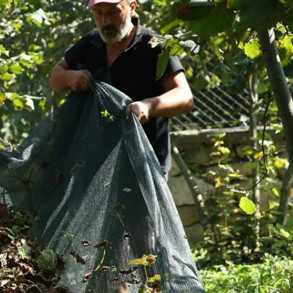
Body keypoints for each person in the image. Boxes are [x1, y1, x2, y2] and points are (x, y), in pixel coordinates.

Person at [49, 0, 194, 176]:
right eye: (99, 13)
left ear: (132, 7)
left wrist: (147, 106)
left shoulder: (154, 45)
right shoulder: (91, 43)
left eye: (113, 12)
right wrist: (70, 77)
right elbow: (55, 79)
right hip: (93, 164)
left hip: (144, 165)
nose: (105, 21)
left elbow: (185, 97)